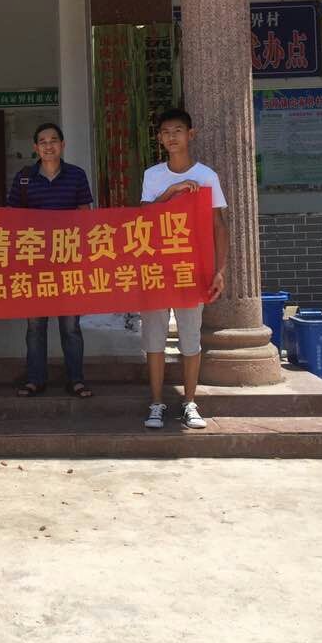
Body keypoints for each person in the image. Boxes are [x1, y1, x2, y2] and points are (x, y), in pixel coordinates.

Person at [139, 108, 228, 430]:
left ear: (190, 135)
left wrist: (219, 270)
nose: (171, 137)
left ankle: (190, 402)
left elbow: (218, 226)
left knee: (190, 338)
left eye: (177, 130)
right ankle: (156, 403)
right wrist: (171, 192)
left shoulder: (207, 176)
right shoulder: (153, 175)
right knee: (154, 339)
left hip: (192, 270)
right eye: (165, 132)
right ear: (159, 138)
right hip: (156, 270)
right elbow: (144, 218)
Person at [6, 122, 95, 398]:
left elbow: (85, 216)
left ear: (62, 145)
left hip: (68, 262)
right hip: (34, 264)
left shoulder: (76, 176)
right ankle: (35, 379)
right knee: (35, 325)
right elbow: (12, 220)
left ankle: (76, 379)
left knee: (70, 326)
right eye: (42, 142)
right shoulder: (24, 178)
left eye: (53, 140)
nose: (48, 146)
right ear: (35, 147)